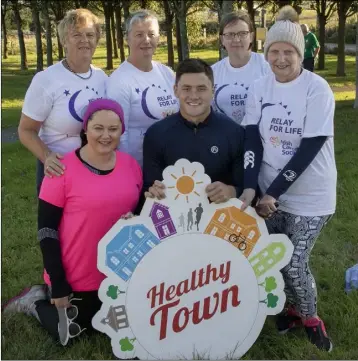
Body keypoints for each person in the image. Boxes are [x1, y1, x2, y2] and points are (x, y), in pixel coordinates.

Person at [3, 99, 143, 345]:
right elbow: (46, 230)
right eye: (98, 128)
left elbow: (138, 213)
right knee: (69, 333)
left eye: (113, 129)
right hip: (78, 274)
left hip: (119, 272)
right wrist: (58, 282)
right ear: (85, 129)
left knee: (121, 325)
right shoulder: (60, 169)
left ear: (122, 130)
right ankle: (35, 299)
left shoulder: (131, 166)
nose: (106, 135)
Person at [240, 6, 336, 352]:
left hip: (311, 195)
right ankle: (290, 309)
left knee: (295, 263)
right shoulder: (260, 86)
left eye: (289, 52)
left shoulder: (317, 89)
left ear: (301, 53)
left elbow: (308, 150)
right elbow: (252, 139)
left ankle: (311, 318)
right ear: (266, 54)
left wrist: (272, 194)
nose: (281, 59)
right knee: (276, 258)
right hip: (269, 192)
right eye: (274, 52)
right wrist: (252, 187)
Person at [18, 8, 107, 195]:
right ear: (64, 40)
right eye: (77, 34)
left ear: (97, 40)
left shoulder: (102, 78)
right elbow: (26, 130)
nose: (85, 40)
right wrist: (47, 157)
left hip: (94, 168)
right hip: (59, 171)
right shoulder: (46, 80)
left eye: (90, 34)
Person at [143, 58, 244, 205]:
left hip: (220, 221)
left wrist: (231, 191)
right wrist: (153, 191)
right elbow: (148, 187)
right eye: (186, 88)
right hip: (175, 221)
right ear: (176, 90)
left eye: (201, 88)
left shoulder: (234, 132)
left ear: (213, 91)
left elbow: (247, 188)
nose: (194, 95)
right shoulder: (156, 134)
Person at [106, 9, 179, 167]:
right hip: (138, 168)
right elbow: (119, 134)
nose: (146, 40)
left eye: (151, 34)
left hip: (171, 163)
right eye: (139, 35)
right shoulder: (119, 81)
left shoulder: (167, 73)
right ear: (127, 39)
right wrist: (126, 169)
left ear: (159, 38)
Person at [211, 10, 271, 124]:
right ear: (222, 39)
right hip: (226, 138)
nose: (236, 39)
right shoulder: (212, 72)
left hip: (260, 138)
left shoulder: (267, 66)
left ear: (251, 36)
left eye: (242, 33)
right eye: (230, 34)